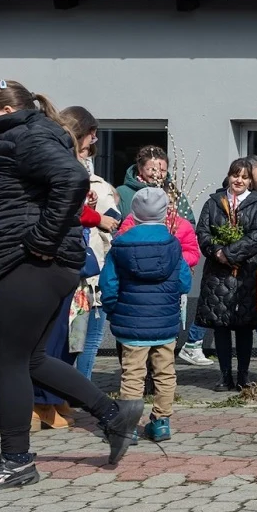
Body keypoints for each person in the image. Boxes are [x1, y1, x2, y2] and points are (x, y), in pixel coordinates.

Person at [0, 80, 143, 492]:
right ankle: (114, 415)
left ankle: (16, 461)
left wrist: (42, 241)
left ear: (6, 110)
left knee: (7, 359)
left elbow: (72, 179)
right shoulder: (28, 134)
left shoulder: (25, 135)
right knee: (31, 359)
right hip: (38, 263)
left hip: (27, 262)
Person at [100, 187, 192, 443]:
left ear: (134, 213)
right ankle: (161, 423)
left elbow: (109, 286)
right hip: (164, 322)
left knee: (132, 374)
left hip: (131, 322)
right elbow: (184, 283)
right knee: (165, 373)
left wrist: (113, 309)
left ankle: (128, 428)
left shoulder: (120, 246)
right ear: (164, 213)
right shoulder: (173, 245)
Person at [117, 145, 213, 367]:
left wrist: (173, 259)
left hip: (166, 279)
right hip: (134, 276)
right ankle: (135, 374)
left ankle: (157, 374)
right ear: (140, 168)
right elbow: (119, 235)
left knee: (163, 332)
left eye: (162, 169)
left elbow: (189, 233)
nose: (157, 174)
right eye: (152, 169)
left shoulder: (176, 200)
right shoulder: (124, 194)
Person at [197, 158, 257, 391]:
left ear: (250, 181)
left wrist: (229, 253)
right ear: (229, 176)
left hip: (246, 272)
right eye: (235, 175)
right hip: (218, 273)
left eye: (244, 177)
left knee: (244, 326)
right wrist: (217, 252)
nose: (239, 180)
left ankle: (243, 375)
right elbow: (203, 232)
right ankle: (225, 375)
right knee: (221, 326)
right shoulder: (213, 202)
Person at [61, 106, 121, 381]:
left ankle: (74, 388)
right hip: (76, 271)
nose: (86, 157)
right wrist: (96, 217)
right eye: (85, 149)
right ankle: (73, 389)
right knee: (79, 336)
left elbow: (111, 224)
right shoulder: (63, 173)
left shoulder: (99, 185)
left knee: (87, 335)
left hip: (92, 269)